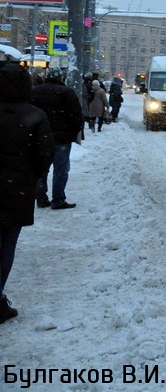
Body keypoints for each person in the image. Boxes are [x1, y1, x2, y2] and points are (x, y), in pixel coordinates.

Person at [0, 62, 56, 324]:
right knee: (8, 242)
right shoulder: (35, 115)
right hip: (17, 190)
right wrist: (29, 178)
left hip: (16, 184)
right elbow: (45, 154)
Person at [30, 69, 84, 210]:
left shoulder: (34, 91)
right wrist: (73, 132)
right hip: (62, 139)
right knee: (60, 169)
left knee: (41, 169)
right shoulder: (67, 92)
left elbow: (28, 113)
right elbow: (76, 115)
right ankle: (58, 199)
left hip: (40, 138)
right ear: (61, 77)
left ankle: (41, 198)